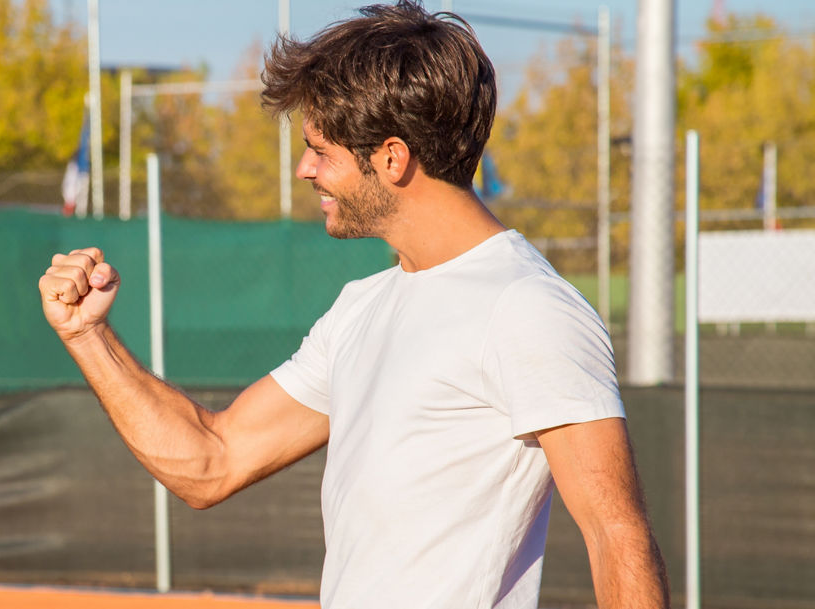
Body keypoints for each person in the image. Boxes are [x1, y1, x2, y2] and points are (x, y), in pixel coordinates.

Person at [38, 2, 668, 608]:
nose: (304, 170)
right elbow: (212, 460)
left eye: (321, 150)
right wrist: (87, 337)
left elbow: (618, 536)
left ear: (391, 158)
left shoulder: (527, 306)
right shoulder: (362, 306)